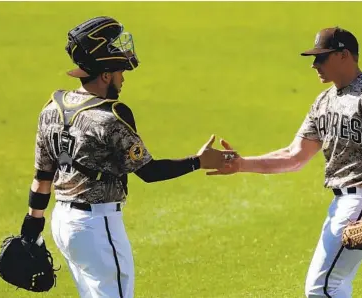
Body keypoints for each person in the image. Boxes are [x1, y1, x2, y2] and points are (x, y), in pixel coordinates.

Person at [20, 16, 235, 298]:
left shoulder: (52, 107)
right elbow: (149, 171)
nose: (122, 79)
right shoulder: (110, 116)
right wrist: (199, 161)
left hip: (62, 223)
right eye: (120, 72)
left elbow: (43, 177)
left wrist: (32, 228)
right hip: (97, 226)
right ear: (105, 75)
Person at [208, 27, 362, 298]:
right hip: (344, 202)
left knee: (324, 288)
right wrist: (242, 164)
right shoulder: (324, 101)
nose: (314, 64)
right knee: (332, 285)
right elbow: (294, 156)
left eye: (321, 58)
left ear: (344, 55)